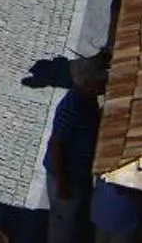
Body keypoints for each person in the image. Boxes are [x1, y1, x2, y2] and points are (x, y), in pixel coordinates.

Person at [46, 52, 106, 243]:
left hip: (78, 174)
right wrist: (62, 182)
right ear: (87, 83)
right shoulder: (72, 106)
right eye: (100, 81)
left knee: (74, 217)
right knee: (63, 222)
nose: (104, 84)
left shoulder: (88, 101)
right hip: (67, 176)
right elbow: (56, 144)